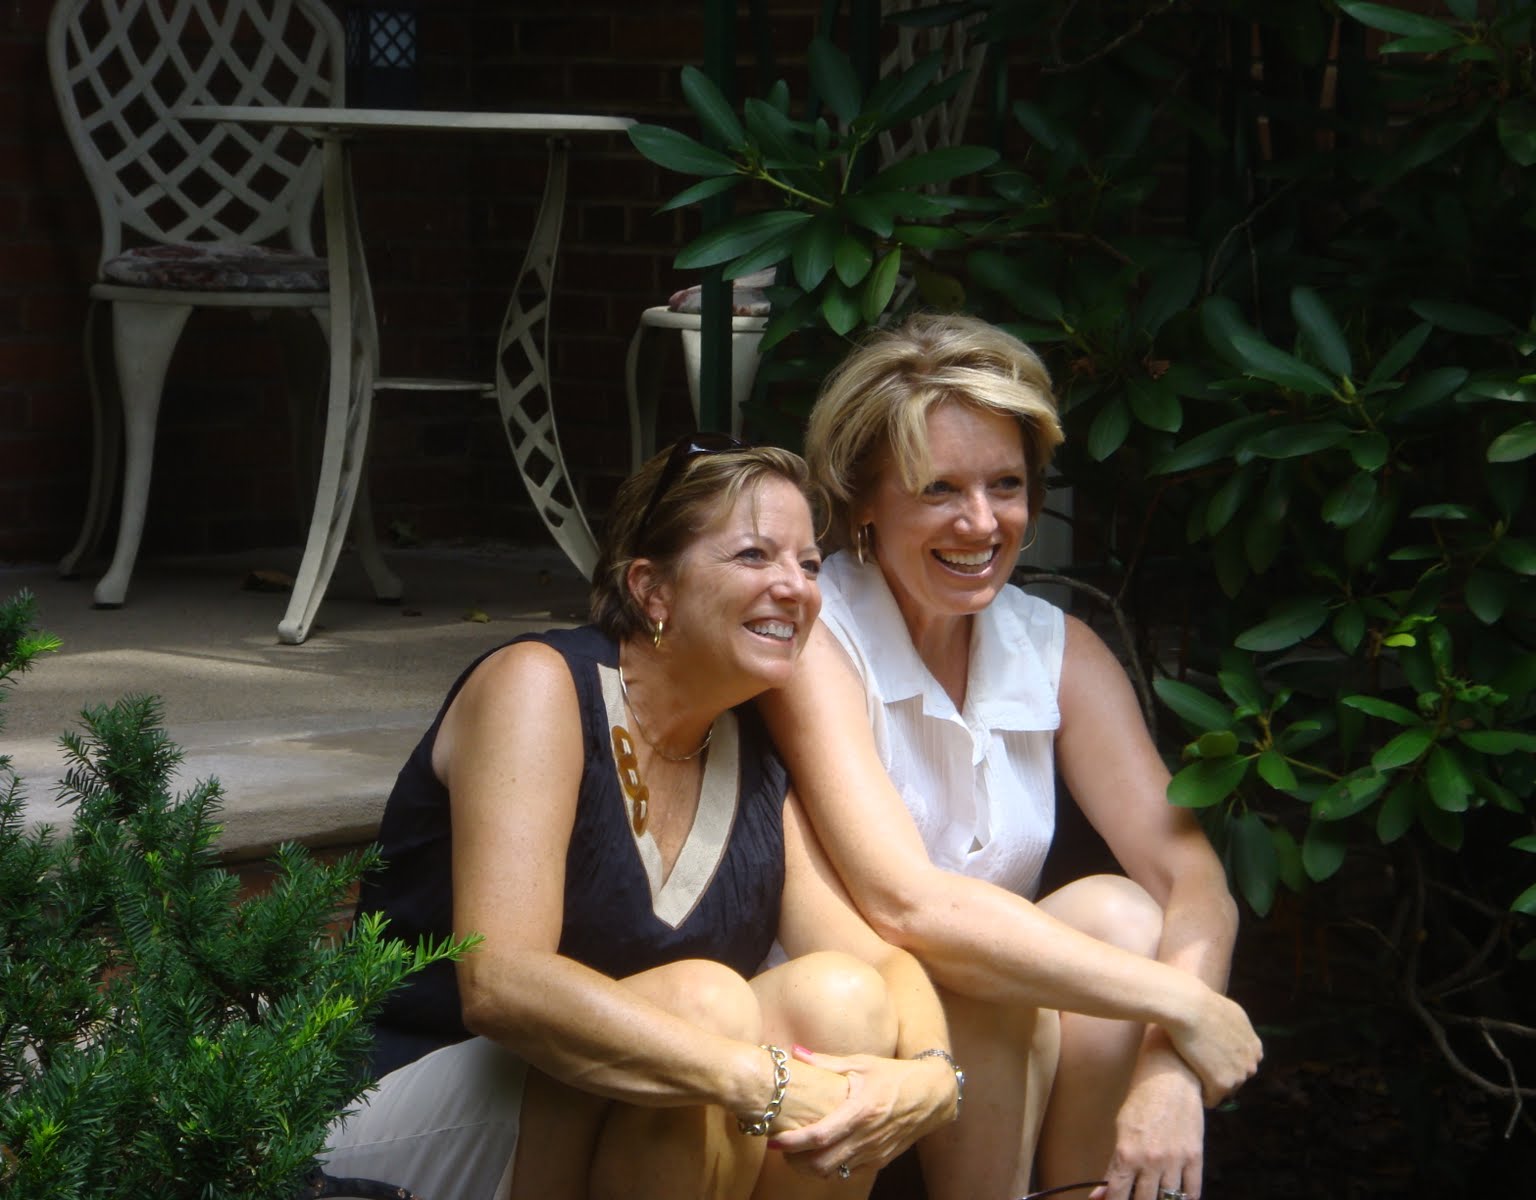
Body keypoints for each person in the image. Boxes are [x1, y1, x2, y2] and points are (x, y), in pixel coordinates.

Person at [321, 438, 961, 1200]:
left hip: (593, 1117)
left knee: (842, 1000)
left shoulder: (748, 742)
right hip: (403, 1106)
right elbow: (501, 982)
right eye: (755, 555)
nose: (796, 588)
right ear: (652, 590)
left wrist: (933, 1076)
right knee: (707, 1007)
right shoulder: (539, 687)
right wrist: (757, 1079)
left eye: (810, 564)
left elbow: (880, 964)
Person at [758, 314, 1262, 1200]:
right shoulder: (816, 637)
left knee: (1121, 912)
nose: (982, 522)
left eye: (1007, 485)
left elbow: (1193, 881)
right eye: (939, 489)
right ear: (863, 500)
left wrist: (1170, 1069)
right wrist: (1186, 1005)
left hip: (1003, 1040)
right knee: (995, 983)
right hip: (848, 1025)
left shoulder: (1055, 648)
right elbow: (908, 904)